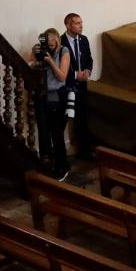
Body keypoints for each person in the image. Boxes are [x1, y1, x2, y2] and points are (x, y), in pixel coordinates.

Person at [29, 28, 72, 178]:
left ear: (57, 42)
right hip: (41, 95)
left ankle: (62, 165)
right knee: (43, 131)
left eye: (52, 46)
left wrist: (50, 61)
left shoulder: (64, 51)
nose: (50, 48)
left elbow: (62, 77)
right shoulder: (38, 49)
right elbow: (31, 68)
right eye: (48, 45)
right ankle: (47, 163)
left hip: (57, 95)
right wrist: (35, 62)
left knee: (56, 132)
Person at [62, 13, 96, 161]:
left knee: (82, 119)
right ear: (68, 25)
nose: (81, 26)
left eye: (81, 23)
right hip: (67, 86)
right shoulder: (61, 42)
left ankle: (85, 151)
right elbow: (60, 67)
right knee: (65, 118)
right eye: (77, 23)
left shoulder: (83, 39)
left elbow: (89, 59)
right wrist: (75, 75)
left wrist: (88, 71)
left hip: (82, 86)